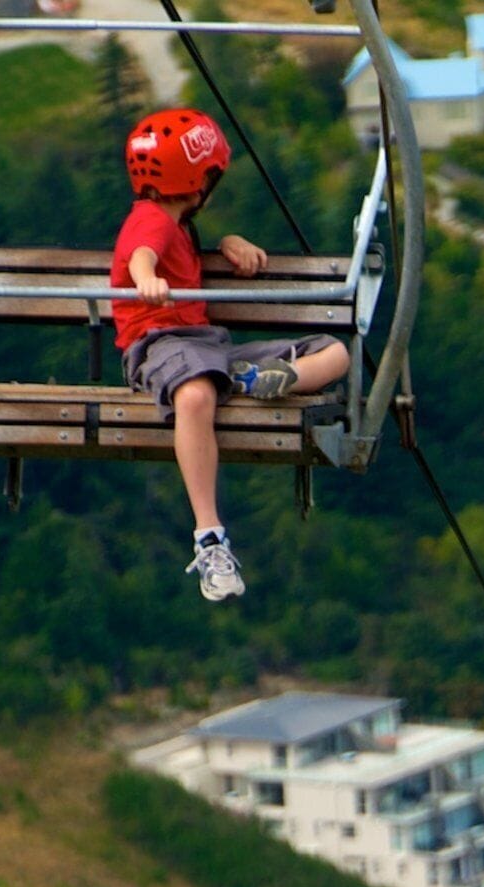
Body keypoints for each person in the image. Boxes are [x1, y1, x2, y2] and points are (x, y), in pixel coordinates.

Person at [113, 108, 355, 604]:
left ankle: (264, 378)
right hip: (160, 345)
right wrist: (146, 280)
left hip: (207, 345)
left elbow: (175, 253)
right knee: (196, 393)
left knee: (335, 354)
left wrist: (229, 244)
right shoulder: (152, 221)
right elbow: (141, 253)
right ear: (197, 177)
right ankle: (209, 536)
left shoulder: (178, 226)